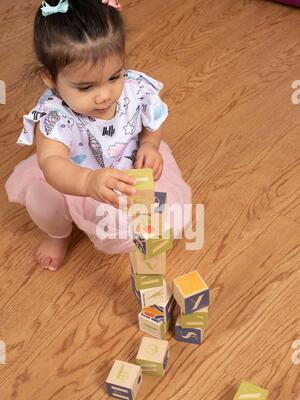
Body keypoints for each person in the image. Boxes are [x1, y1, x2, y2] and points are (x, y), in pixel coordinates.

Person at [5, 0, 192, 271]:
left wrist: (150, 145)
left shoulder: (135, 88)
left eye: (114, 77)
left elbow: (151, 122)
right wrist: (87, 181)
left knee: (160, 214)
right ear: (50, 78)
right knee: (43, 198)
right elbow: (52, 162)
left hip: (127, 167)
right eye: (86, 87)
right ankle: (58, 233)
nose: (104, 95)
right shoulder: (55, 115)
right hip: (77, 177)